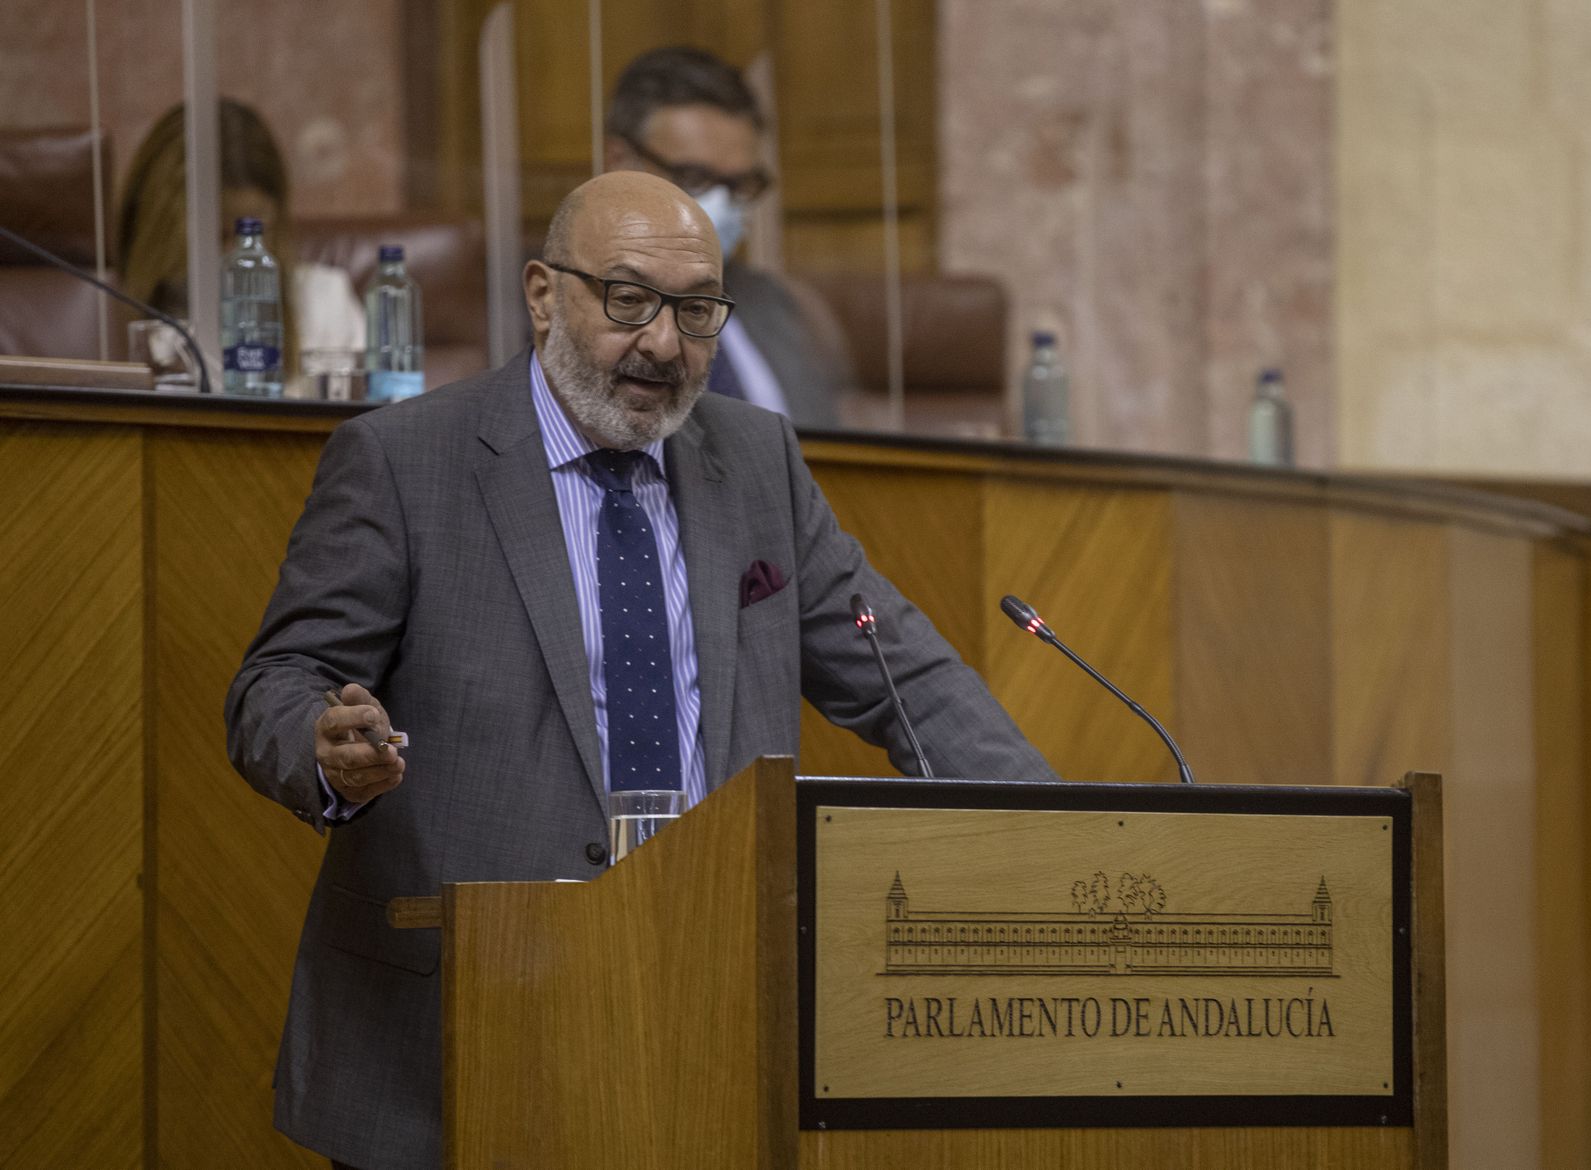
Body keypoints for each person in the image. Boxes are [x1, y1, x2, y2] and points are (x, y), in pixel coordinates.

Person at [225, 170, 1052, 1170]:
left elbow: (901, 675)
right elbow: (281, 678)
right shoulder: (406, 460)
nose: (663, 342)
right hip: (460, 1025)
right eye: (628, 300)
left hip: (709, 1009)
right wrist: (323, 750)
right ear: (543, 295)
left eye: (696, 311)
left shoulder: (755, 460)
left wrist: (1056, 833)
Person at [603, 45, 848, 429]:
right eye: (695, 178)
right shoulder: (576, 306)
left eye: (739, 185)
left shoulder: (771, 302)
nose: (719, 205)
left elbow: (828, 449)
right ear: (620, 161)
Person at [117, 99, 364, 378]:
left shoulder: (324, 303)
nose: (235, 255)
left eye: (253, 233)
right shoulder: (105, 315)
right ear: (157, 227)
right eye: (215, 236)